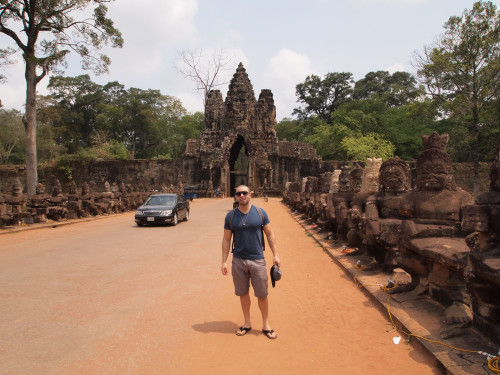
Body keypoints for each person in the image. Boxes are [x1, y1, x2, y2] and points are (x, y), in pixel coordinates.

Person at [221, 185, 281, 339]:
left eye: (245, 193)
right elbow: (227, 239)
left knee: (262, 294)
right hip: (239, 260)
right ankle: (247, 323)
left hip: (257, 259)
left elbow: (270, 234)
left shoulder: (260, 213)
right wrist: (224, 261)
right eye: (239, 193)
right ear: (235, 196)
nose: (242, 196)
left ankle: (266, 324)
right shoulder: (230, 216)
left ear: (250, 195)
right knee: (243, 293)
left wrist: (276, 254)